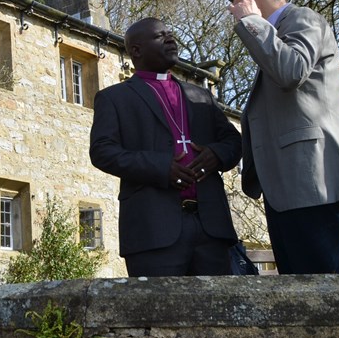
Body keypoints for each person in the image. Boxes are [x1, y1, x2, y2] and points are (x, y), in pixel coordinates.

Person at [228, 0, 339, 273]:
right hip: (288, 186)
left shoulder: (304, 19)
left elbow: (290, 71)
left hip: (311, 179)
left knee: (323, 287)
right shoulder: (276, 31)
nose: (232, 8)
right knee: (300, 287)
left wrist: (251, 21)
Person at [90, 18, 243, 276]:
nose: (171, 39)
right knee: (156, 315)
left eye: (171, 34)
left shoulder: (201, 96)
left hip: (211, 227)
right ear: (136, 50)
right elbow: (102, 152)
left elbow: (233, 141)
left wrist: (215, 155)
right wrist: (161, 167)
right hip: (152, 230)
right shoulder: (114, 98)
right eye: (160, 36)